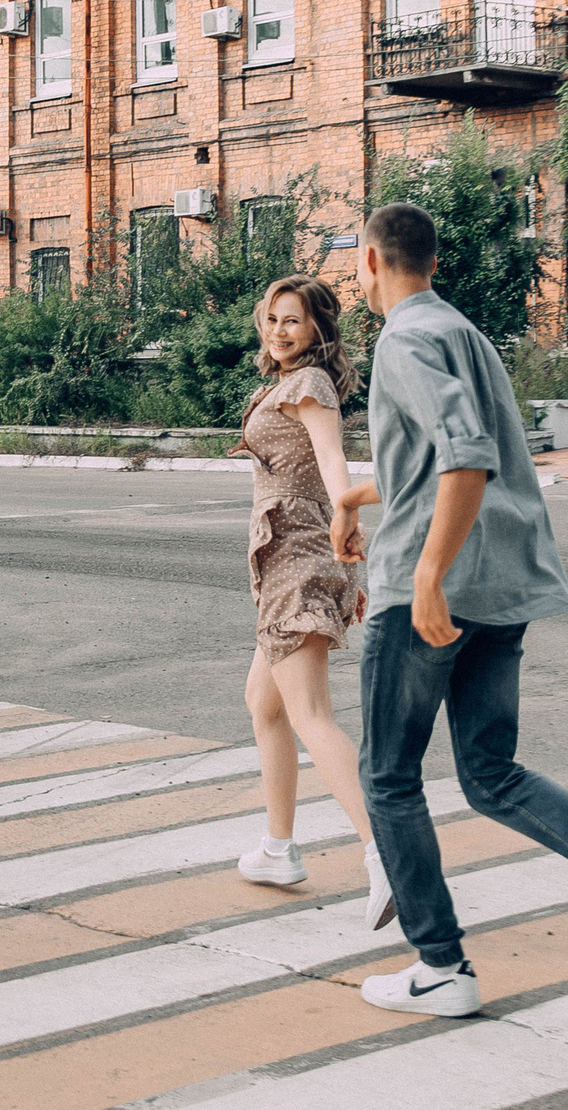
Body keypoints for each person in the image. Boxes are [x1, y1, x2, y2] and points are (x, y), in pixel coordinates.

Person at [330, 202, 568, 1019]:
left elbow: (465, 459)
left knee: (388, 775)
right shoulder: (463, 332)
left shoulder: (401, 339)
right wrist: (358, 496)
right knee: (491, 773)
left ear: (370, 262)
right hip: (503, 589)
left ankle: (441, 965)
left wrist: (428, 572)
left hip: (431, 595)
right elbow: (440, 461)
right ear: (433, 261)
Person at [230, 275, 395, 932]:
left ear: (318, 327)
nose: (279, 330)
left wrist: (348, 527)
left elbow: (332, 464)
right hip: (290, 556)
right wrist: (343, 562)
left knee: (311, 714)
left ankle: (388, 853)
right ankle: (278, 849)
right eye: (273, 318)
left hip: (297, 556)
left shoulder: (309, 385)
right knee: (263, 701)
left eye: (293, 320)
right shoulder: (286, 382)